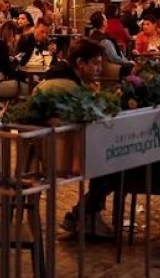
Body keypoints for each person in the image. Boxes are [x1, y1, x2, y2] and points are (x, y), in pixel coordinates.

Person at [49, 39, 116, 238]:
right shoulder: (66, 84)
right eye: (95, 63)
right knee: (116, 162)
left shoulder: (67, 78)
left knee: (112, 158)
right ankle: (82, 215)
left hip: (67, 144)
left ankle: (88, 215)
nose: (99, 68)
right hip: (62, 149)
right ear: (80, 63)